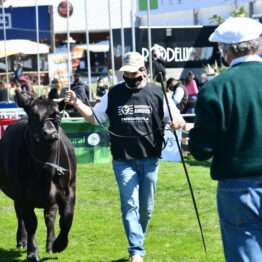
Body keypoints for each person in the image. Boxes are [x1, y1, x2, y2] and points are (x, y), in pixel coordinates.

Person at [65, 51, 185, 262]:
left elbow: (176, 117)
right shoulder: (114, 93)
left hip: (150, 158)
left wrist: (177, 123)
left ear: (143, 71)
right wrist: (76, 103)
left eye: (132, 73)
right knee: (129, 204)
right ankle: (136, 251)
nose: (129, 77)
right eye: (125, 74)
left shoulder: (158, 93)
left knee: (146, 209)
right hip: (123, 160)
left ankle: (137, 240)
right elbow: (95, 118)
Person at [188, 17, 262, 262]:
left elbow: (201, 150)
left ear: (225, 51)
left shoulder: (216, 87)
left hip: (238, 187)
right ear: (257, 44)